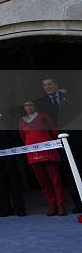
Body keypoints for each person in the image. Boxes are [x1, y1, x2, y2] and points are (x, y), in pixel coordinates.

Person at [37, 78, 82, 213]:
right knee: (68, 172)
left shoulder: (71, 97)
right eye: (44, 85)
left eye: (50, 84)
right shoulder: (41, 103)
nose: (48, 87)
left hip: (77, 138)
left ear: (56, 85)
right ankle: (78, 203)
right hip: (57, 142)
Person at [19, 100, 66, 215]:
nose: (28, 107)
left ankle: (61, 206)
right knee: (43, 183)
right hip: (33, 155)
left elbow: (54, 131)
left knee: (56, 180)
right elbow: (23, 137)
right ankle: (52, 205)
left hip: (48, 153)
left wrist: (50, 144)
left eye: (30, 105)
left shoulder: (44, 117)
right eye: (26, 105)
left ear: (35, 106)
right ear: (24, 107)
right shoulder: (21, 121)